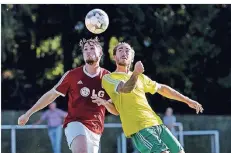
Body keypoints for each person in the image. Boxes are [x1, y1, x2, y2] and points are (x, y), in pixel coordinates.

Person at [94, 42, 204, 153]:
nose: (124, 53)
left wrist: (187, 100)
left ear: (132, 57)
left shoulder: (141, 77)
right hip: (138, 127)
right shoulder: (109, 78)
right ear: (114, 57)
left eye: (127, 50)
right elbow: (125, 89)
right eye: (120, 50)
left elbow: (162, 89)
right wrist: (136, 73)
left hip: (156, 123)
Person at [18, 37, 119, 153]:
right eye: (85, 49)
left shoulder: (108, 78)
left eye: (92, 48)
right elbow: (51, 95)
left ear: (100, 53)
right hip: (75, 123)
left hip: (96, 129)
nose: (88, 51)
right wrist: (28, 113)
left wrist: (105, 102)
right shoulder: (72, 75)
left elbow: (116, 110)